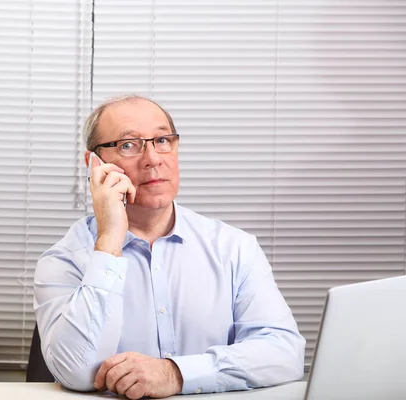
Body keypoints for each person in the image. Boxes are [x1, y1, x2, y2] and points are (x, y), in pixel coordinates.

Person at [33, 95, 305, 399]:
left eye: (162, 140)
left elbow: (284, 354)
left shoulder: (234, 248)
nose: (152, 158)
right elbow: (77, 372)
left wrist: (175, 373)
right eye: (128, 145)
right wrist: (109, 239)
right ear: (94, 164)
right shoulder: (63, 260)